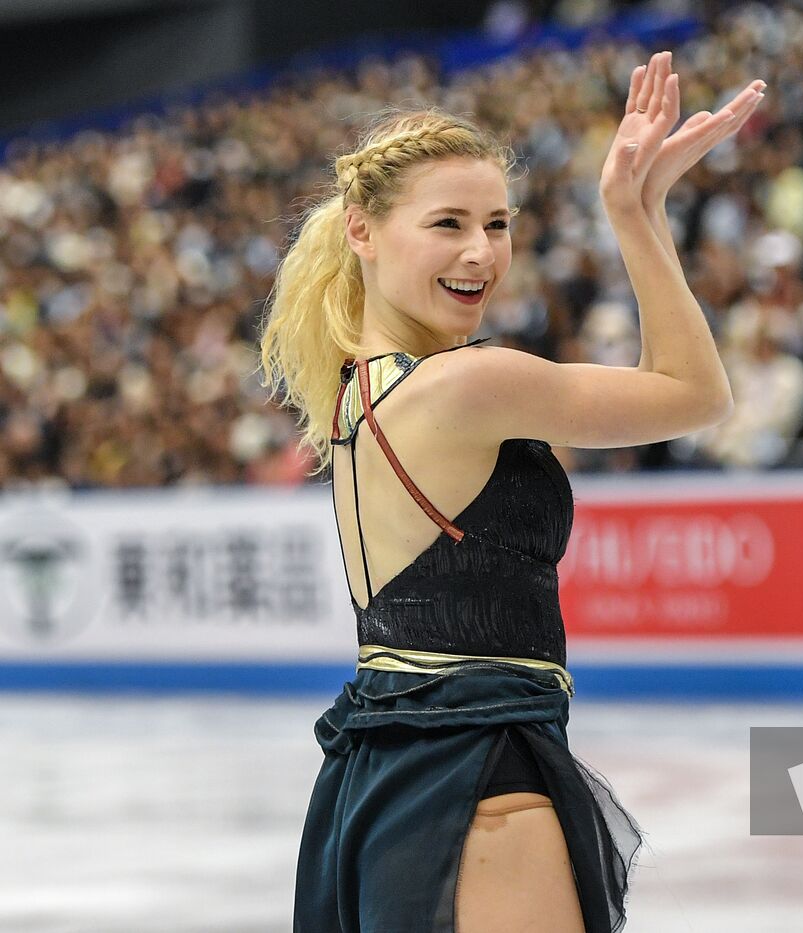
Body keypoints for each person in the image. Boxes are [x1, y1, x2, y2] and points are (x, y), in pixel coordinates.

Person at [258, 50, 766, 932]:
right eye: (447, 223)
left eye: (497, 224)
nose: (479, 252)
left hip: (381, 782)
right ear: (362, 232)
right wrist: (636, 210)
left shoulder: (353, 396)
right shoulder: (464, 385)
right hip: (481, 781)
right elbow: (695, 393)